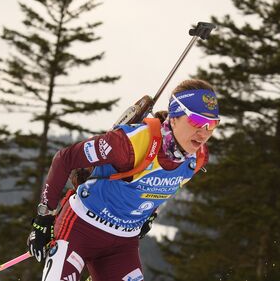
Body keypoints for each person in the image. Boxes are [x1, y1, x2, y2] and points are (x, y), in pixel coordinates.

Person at [27, 79, 220, 281]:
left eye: (213, 124)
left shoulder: (197, 158)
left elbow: (160, 184)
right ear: (174, 118)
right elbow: (64, 159)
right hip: (80, 229)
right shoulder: (130, 144)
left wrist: (148, 215)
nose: (204, 132)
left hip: (121, 245)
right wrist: (44, 220)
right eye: (197, 121)